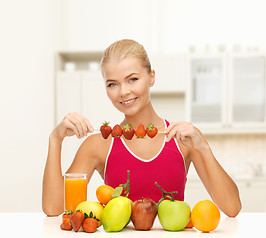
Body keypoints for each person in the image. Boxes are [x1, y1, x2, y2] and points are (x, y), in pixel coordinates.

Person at [42, 39, 241, 217]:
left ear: (151, 77)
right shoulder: (99, 144)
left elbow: (232, 208)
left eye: (133, 79)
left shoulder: (183, 140)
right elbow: (53, 209)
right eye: (112, 84)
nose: (124, 92)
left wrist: (203, 147)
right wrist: (55, 139)